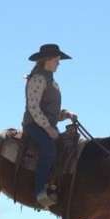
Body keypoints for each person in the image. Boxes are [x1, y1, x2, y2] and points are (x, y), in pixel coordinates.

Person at [22, 43, 77, 208]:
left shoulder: (52, 82)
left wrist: (65, 115)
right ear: (48, 60)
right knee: (49, 149)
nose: (59, 63)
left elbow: (50, 112)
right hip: (34, 126)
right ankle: (39, 192)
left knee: (65, 149)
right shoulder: (38, 78)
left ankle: (54, 186)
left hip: (46, 126)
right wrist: (48, 128)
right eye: (57, 60)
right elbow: (33, 107)